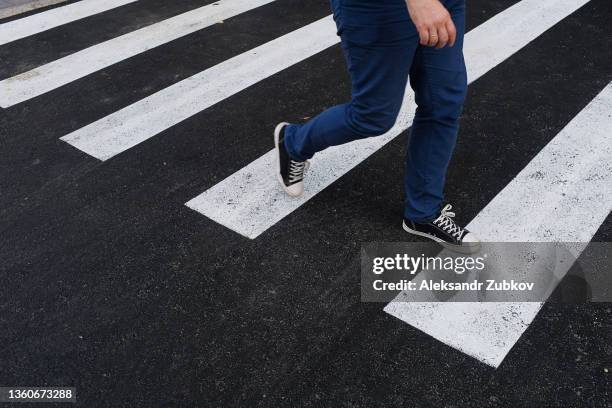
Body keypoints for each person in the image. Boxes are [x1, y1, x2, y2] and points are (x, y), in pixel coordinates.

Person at [274, 0, 480, 253]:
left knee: (443, 104)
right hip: (377, 8)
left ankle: (423, 213)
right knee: (372, 116)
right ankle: (293, 141)